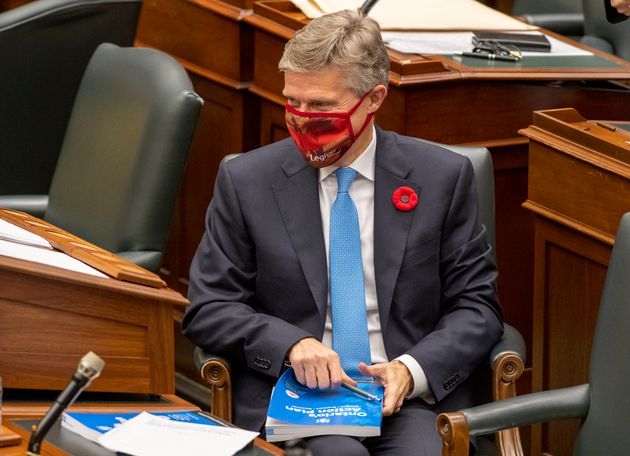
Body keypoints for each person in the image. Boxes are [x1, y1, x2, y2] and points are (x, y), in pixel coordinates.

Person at [182, 9, 503, 455]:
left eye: (321, 107)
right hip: (295, 396)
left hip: (406, 398)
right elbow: (209, 307)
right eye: (293, 102)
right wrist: (291, 343)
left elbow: (477, 307)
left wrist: (412, 369)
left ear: (373, 99)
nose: (302, 118)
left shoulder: (442, 177)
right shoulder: (248, 181)